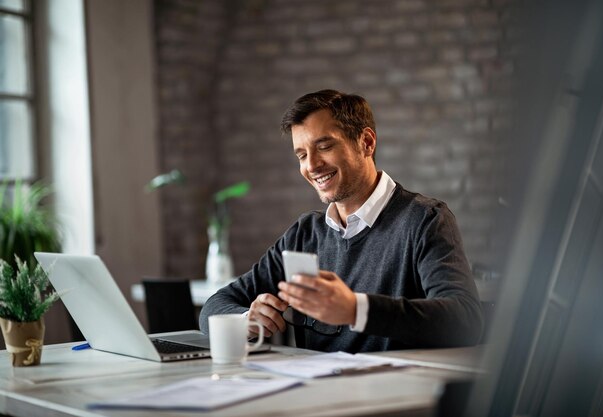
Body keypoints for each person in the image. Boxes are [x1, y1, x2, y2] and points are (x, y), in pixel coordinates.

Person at [199, 89, 483, 353]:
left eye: (324, 146)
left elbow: (465, 322)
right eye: (302, 155)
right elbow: (213, 307)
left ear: (367, 143)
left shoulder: (425, 221)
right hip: (315, 397)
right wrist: (247, 318)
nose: (311, 165)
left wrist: (355, 309)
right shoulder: (305, 234)